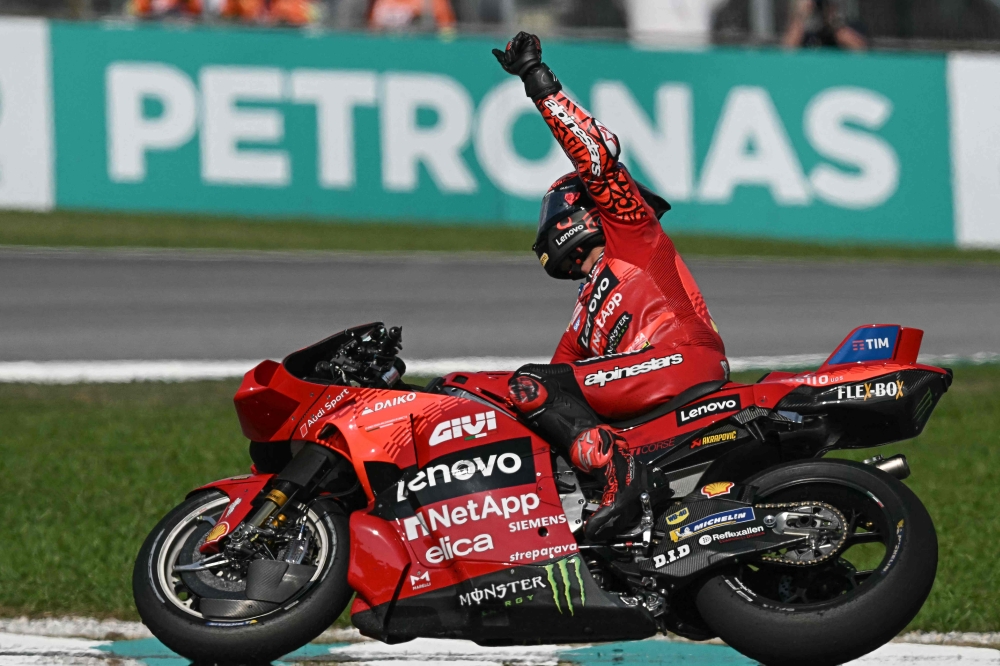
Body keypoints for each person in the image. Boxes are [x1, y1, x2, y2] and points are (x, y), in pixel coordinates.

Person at [493, 32, 729, 541]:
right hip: (642, 384)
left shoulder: (633, 236)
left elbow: (597, 158)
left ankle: (613, 479)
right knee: (528, 392)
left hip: (681, 358)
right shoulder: (583, 314)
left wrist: (539, 84)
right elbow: (550, 388)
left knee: (531, 383)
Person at [783, 0, 868, 50]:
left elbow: (860, 48)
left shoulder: (847, 27)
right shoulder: (806, 34)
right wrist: (802, 15)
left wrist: (833, 22)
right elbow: (787, 50)